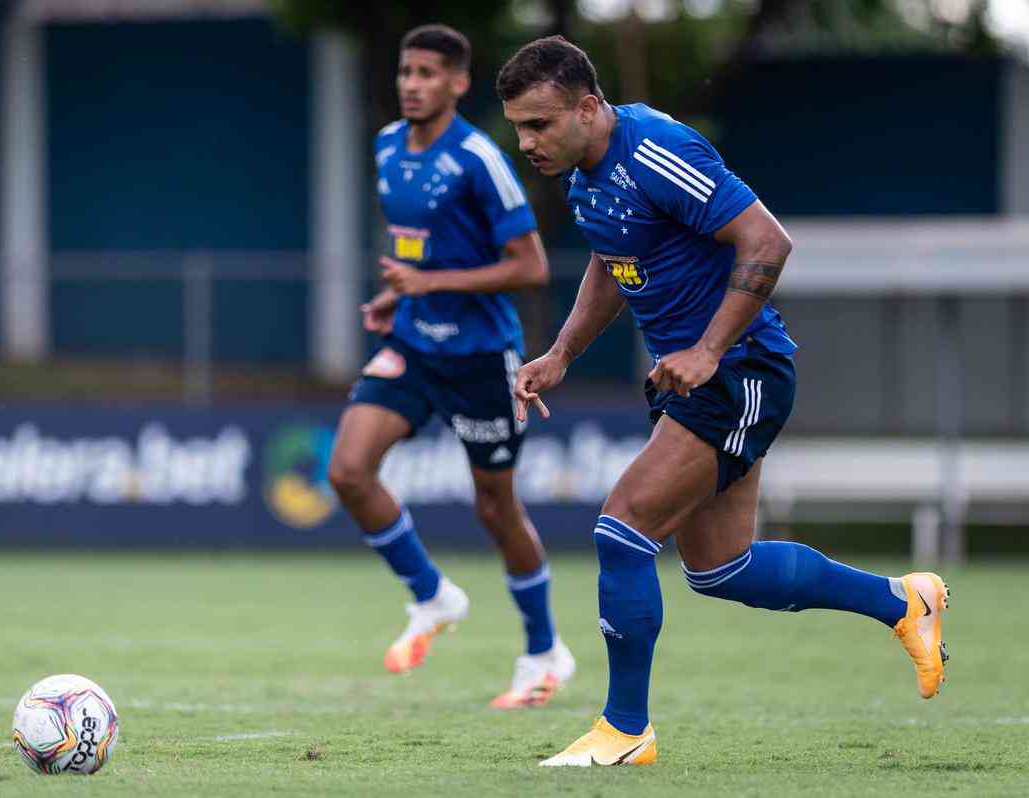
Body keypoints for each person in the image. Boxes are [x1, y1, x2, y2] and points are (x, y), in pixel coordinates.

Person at [495, 35, 948, 764]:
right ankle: (904, 601)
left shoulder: (654, 151)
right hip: (697, 379)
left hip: (739, 370)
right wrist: (560, 355)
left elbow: (767, 242)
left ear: (588, 106)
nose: (526, 141)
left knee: (622, 529)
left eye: (539, 124)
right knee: (721, 569)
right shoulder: (585, 177)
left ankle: (623, 730)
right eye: (518, 126)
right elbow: (615, 267)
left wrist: (707, 349)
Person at [327, 24, 574, 709]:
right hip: (412, 344)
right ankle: (433, 596)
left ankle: (545, 653)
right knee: (347, 469)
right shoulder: (385, 147)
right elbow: (423, 250)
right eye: (407, 70)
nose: (412, 83)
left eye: (428, 72)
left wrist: (428, 285)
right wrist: (395, 294)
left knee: (496, 507)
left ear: (458, 83)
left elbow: (531, 265)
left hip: (477, 359)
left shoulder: (478, 158)